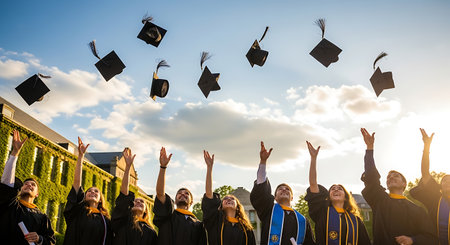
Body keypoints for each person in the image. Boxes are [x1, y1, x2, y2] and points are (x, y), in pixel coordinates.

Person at [360, 128, 437, 245]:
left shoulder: (417, 210)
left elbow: (430, 238)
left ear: (404, 184)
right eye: (388, 177)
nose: (391, 177)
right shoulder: (380, 200)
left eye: (396, 176)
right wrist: (370, 148)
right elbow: (371, 178)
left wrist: (412, 240)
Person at [304, 141, 371, 245]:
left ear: (345, 197)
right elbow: (313, 185)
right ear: (329, 197)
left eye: (339, 188)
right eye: (332, 189)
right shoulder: (322, 212)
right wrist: (313, 159)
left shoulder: (356, 221)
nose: (336, 189)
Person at [250, 141, 315, 245]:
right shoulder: (268, 210)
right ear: (275, 197)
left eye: (287, 189)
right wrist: (263, 162)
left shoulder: (302, 221)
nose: (284, 189)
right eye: (280, 189)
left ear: (292, 197)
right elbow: (261, 193)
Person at [0, 130, 55, 245]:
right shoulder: (11, 205)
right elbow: (6, 183)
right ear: (20, 190)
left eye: (33, 185)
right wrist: (15, 153)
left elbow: (50, 241)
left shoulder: (42, 217)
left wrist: (39, 239)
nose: (29, 184)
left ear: (37, 194)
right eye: (26, 184)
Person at [153, 147, 206, 245]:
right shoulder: (168, 216)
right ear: (175, 200)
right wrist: (163, 167)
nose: (183, 194)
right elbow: (160, 194)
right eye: (179, 193)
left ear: (191, 201)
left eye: (187, 193)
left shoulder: (198, 225)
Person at [201, 150, 256, 245]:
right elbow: (209, 196)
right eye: (225, 199)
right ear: (221, 206)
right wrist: (209, 168)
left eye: (232, 199)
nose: (229, 199)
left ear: (238, 206)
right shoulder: (215, 221)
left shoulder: (246, 228)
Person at [63, 137, 112, 245]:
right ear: (84, 196)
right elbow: (76, 183)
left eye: (96, 191)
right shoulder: (77, 211)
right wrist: (81, 156)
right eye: (89, 191)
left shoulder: (105, 221)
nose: (92, 192)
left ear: (100, 200)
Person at [410, 128, 449, 245]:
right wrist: (426, 147)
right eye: (444, 180)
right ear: (440, 187)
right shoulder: (435, 199)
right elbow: (425, 172)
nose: (447, 182)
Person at [111, 147, 157, 245]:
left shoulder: (151, 232)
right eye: (136, 201)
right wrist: (127, 167)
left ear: (146, 210)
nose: (138, 202)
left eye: (142, 202)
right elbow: (124, 194)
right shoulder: (123, 221)